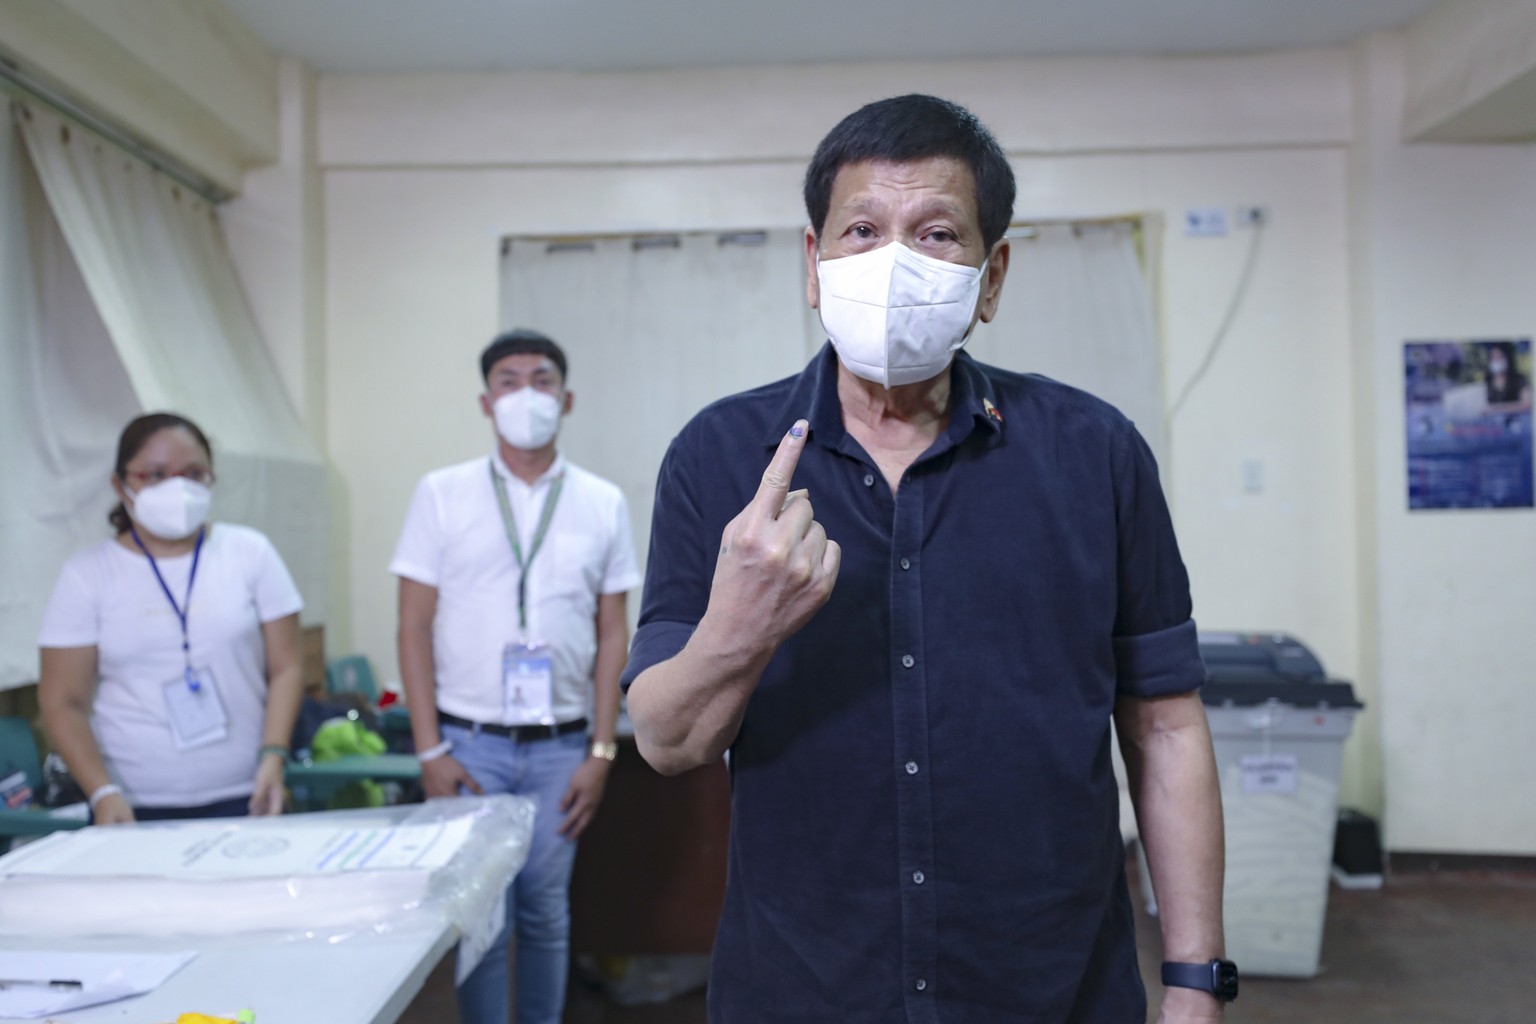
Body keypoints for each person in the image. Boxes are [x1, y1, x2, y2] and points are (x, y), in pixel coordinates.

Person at [624, 95, 1233, 1023]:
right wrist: (737, 627)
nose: (895, 261)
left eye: (937, 233)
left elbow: (1167, 726)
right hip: (804, 989)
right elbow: (668, 742)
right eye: (861, 229)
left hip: (1049, 989)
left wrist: (1194, 979)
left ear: (991, 280)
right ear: (814, 265)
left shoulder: (1093, 453)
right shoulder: (719, 457)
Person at [391, 329, 640, 1024]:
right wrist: (429, 750)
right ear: (484, 401)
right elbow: (412, 625)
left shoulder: (602, 501)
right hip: (468, 748)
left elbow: (611, 630)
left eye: (540, 379)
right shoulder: (440, 494)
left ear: (566, 398)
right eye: (508, 380)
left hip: (561, 747)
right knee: (480, 918)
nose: (525, 393)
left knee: (544, 912)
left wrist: (600, 750)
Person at [38, 412, 303, 823]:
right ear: (120, 484)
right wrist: (102, 792)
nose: (178, 488)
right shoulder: (87, 575)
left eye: (193, 473)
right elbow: (61, 701)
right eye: (155, 475)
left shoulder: (251, 553)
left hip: (247, 793)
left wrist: (274, 755)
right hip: (131, 802)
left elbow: (286, 666)